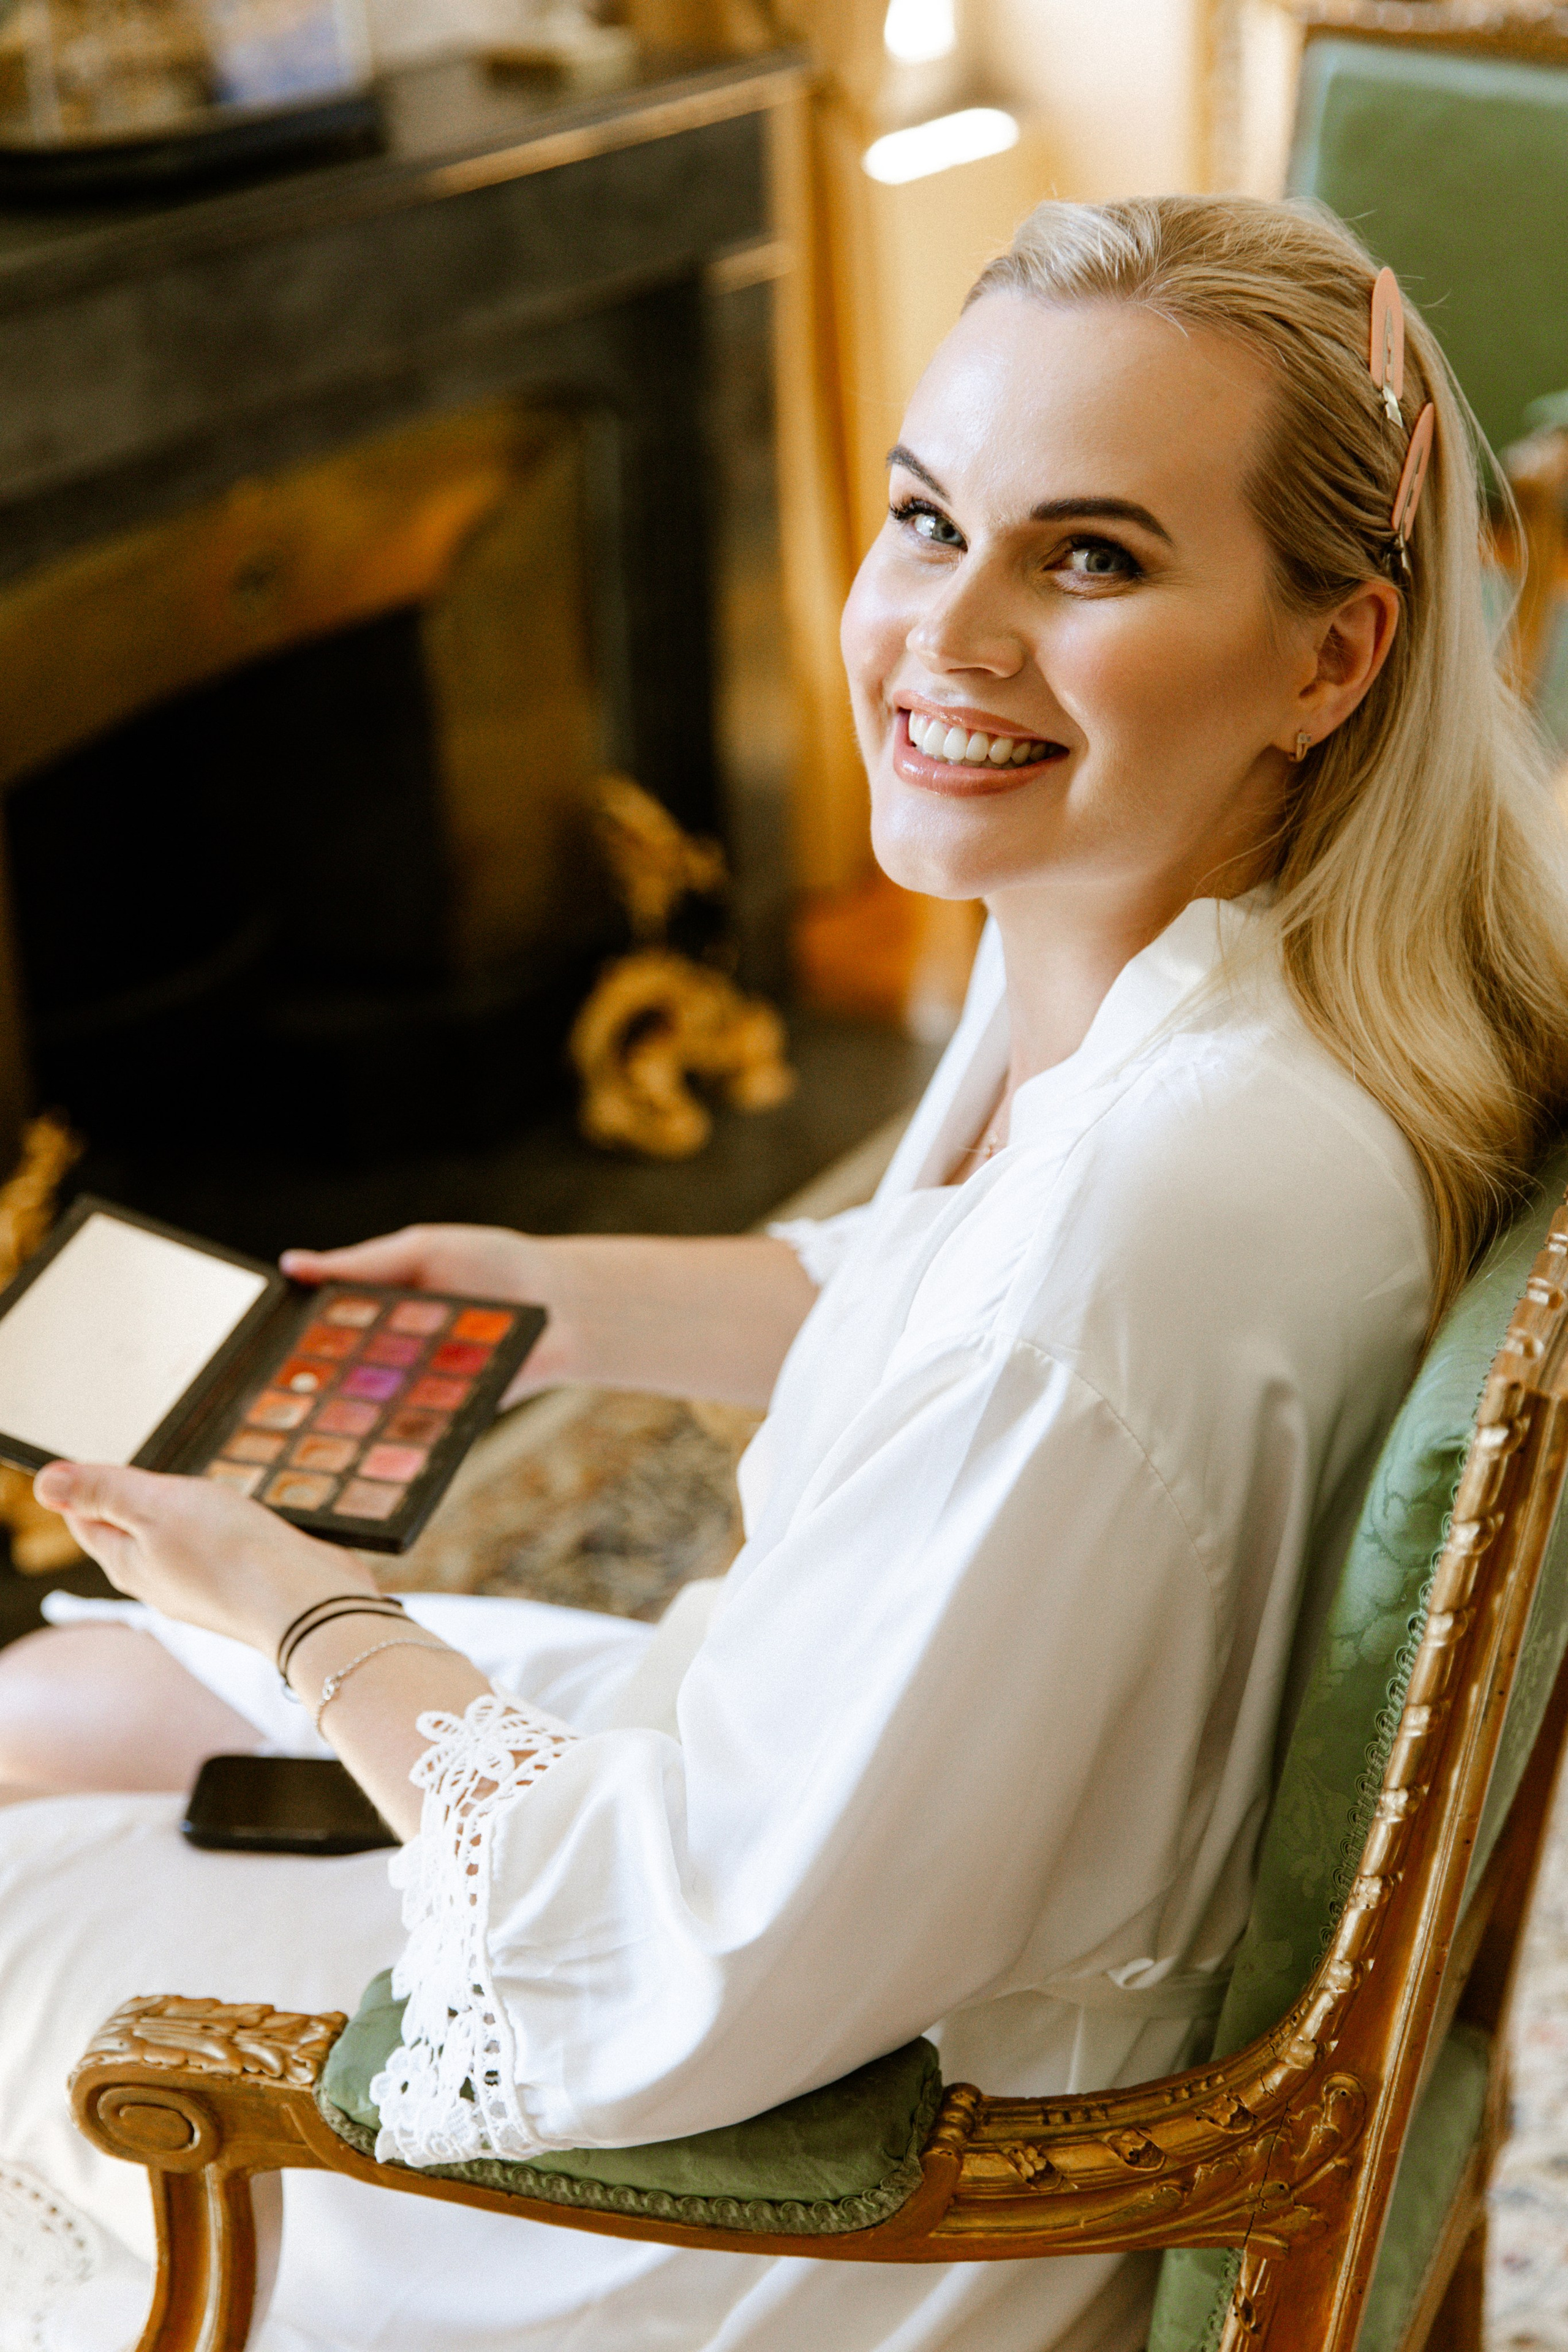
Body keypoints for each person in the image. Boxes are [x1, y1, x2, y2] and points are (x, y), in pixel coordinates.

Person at [3, 190, 1566, 2352]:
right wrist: (554, 1292)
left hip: (813, 2189)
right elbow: (926, 1288)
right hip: (856, 1829)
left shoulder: (1144, 1236)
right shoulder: (1234, 983)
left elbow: (676, 1970)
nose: (951, 637)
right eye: (931, 518)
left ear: (1333, 654)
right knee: (51, 1698)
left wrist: (290, 1594)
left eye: (1090, 557)